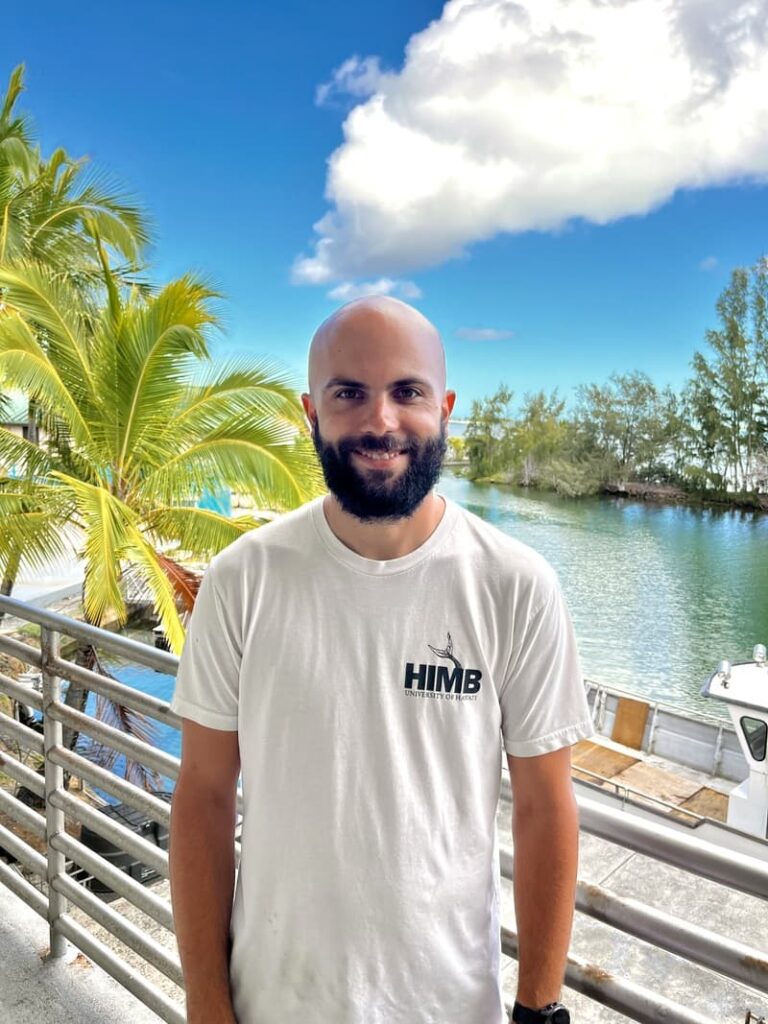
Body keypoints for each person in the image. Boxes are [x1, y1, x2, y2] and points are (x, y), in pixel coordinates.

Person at [169, 296, 594, 1024]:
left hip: (453, 1006)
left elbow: (544, 806)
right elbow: (204, 795)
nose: (381, 421)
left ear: (445, 408)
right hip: (273, 1002)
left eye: (408, 391)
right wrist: (207, 1002)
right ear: (311, 412)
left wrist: (539, 1008)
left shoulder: (515, 585)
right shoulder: (244, 579)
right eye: (349, 394)